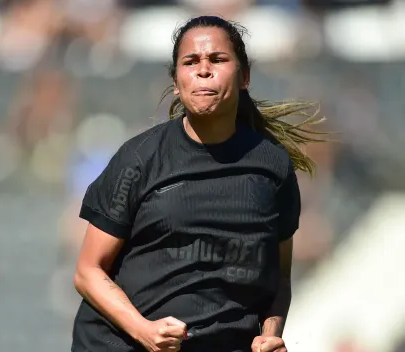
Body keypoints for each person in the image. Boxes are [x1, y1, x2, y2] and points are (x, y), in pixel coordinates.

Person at [72, 15, 326, 352]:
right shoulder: (139, 159)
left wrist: (271, 333)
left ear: (245, 76)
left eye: (218, 60)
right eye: (190, 62)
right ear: (176, 82)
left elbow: (278, 278)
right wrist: (144, 331)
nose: (203, 70)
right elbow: (88, 271)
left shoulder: (273, 165)